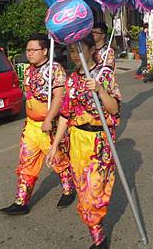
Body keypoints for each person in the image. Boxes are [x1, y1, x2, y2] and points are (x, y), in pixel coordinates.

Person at [46, 34, 121, 249]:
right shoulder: (71, 80)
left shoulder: (104, 74)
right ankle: (99, 237)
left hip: (99, 142)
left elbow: (114, 109)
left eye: (79, 50)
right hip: (77, 142)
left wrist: (99, 89)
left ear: (91, 50)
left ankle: (97, 226)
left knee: (94, 192)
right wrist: (54, 146)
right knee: (83, 192)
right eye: (71, 51)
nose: (75, 55)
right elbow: (65, 115)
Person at [0, 34, 75, 216]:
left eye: (33, 50)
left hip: (49, 127)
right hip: (31, 126)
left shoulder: (55, 69)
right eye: (28, 50)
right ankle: (21, 201)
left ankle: (68, 190)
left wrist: (49, 119)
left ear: (45, 50)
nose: (30, 54)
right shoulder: (28, 70)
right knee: (26, 163)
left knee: (58, 160)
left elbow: (59, 96)